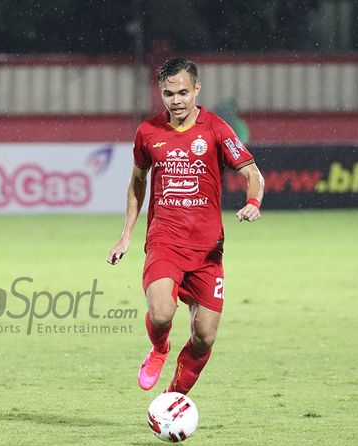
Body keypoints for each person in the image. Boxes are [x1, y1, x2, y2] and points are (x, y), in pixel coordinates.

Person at [107, 58, 265, 395]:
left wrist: (253, 202)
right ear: (160, 93)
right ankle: (160, 348)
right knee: (162, 314)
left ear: (196, 89)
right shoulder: (147, 132)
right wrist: (125, 237)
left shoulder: (216, 128)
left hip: (208, 249)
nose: (176, 100)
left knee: (204, 337)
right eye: (168, 93)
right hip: (165, 240)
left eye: (182, 92)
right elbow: (137, 182)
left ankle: (173, 398)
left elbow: (252, 173)